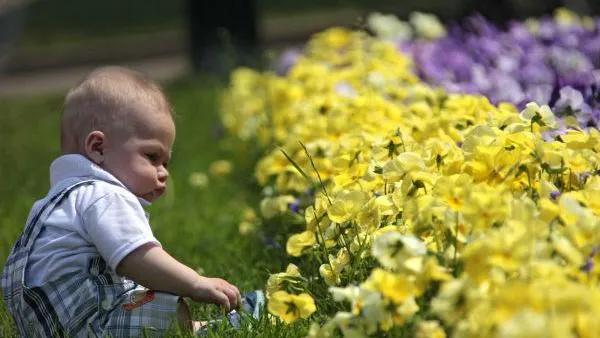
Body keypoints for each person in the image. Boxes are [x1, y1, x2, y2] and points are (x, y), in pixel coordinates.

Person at [0, 66, 264, 337]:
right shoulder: (105, 195)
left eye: (166, 162)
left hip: (50, 327)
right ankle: (203, 330)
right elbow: (135, 258)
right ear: (98, 148)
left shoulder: (57, 202)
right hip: (91, 326)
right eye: (152, 157)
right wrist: (196, 283)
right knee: (169, 300)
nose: (163, 172)